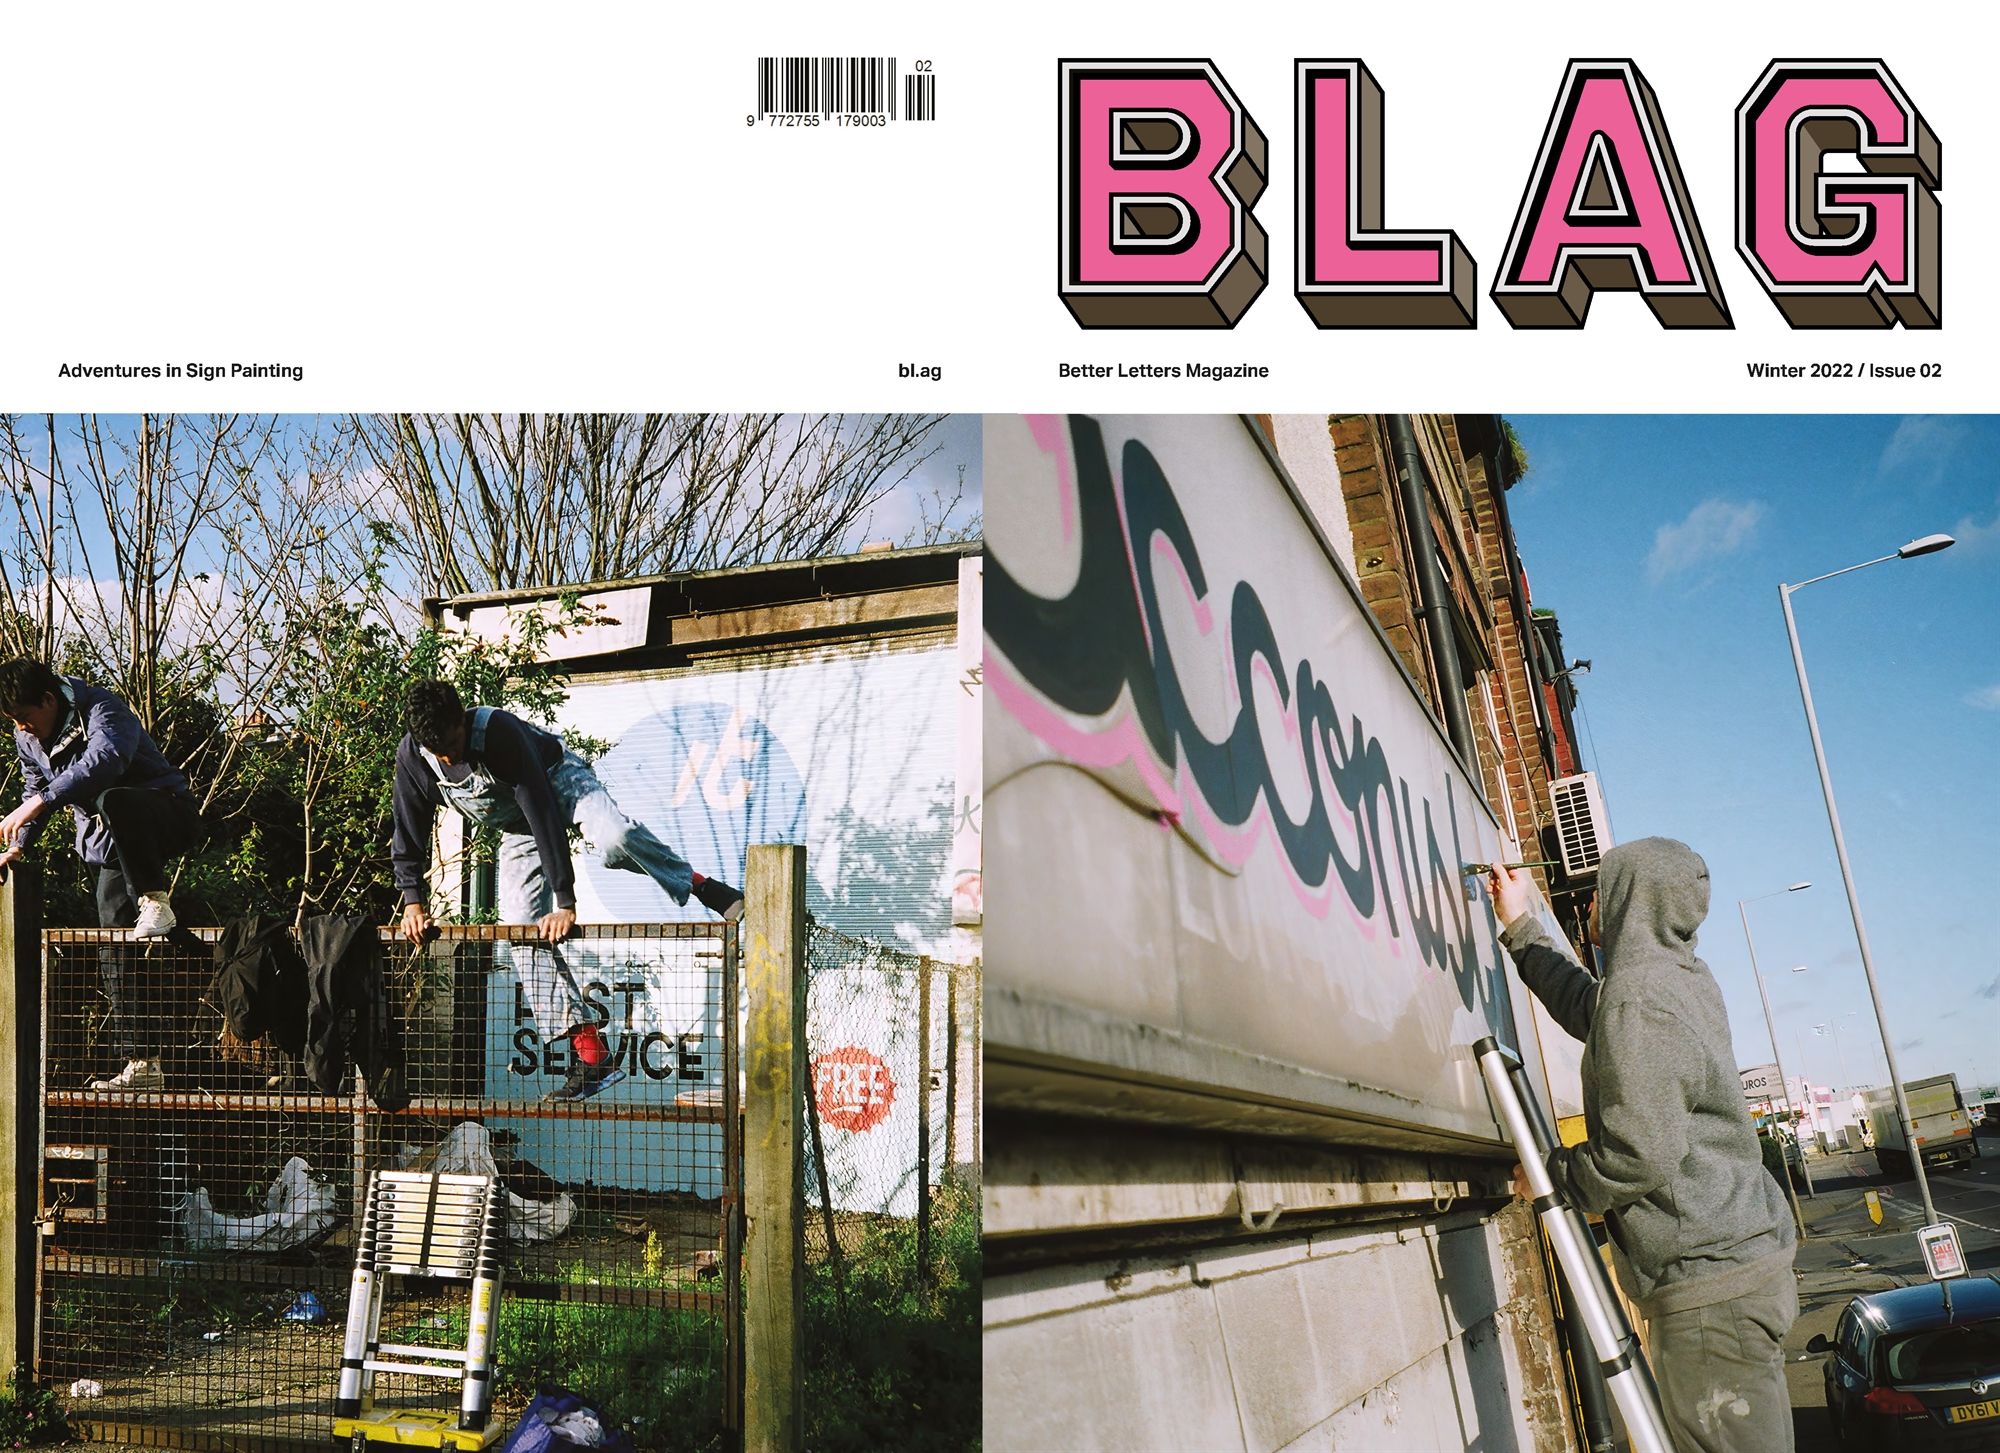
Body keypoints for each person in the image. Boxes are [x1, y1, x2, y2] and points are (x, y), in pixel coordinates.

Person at [1484, 837, 1797, 1453]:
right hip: (1735, 1272)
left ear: (1631, 898)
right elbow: (1587, 1006)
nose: (1592, 901)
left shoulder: (1641, 998)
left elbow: (1639, 1155)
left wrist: (1553, 1175)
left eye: (1603, 888)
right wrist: (1520, 924)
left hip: (1710, 1290)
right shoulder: (1676, 980)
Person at [390, 679, 744, 1102]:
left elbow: (541, 808)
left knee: (615, 840)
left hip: (558, 781)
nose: (449, 757)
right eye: (439, 751)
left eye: (453, 743)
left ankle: (703, 887)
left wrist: (565, 902)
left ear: (461, 719)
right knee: (520, 935)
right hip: (517, 825)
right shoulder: (416, 758)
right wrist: (413, 901)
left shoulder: (497, 733)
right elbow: (407, 830)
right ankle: (593, 1057)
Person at [0, 657, 206, 1092]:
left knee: (113, 798)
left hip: (165, 811)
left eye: (25, 718)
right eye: (14, 722)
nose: (22, 728)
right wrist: (20, 841)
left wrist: (41, 802)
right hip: (111, 846)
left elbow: (107, 759)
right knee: (114, 941)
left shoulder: (103, 708)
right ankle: (143, 1064)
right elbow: (34, 789)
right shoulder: (29, 740)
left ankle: (155, 898)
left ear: (50, 700)